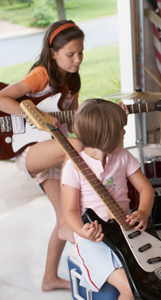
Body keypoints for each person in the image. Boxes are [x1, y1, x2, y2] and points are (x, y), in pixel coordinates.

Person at [0, 20, 85, 291]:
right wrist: (37, 116)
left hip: (54, 149)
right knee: (78, 147)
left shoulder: (72, 79)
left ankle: (49, 278)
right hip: (28, 150)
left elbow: (74, 123)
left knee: (65, 218)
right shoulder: (42, 75)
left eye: (81, 52)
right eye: (70, 54)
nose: (77, 59)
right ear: (53, 53)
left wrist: (105, 117)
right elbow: (3, 98)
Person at [61, 99, 154, 299]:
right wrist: (82, 232)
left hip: (125, 232)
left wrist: (143, 211)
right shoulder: (73, 167)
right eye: (121, 129)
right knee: (131, 289)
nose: (124, 132)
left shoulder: (122, 156)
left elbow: (145, 188)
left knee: (152, 279)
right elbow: (69, 210)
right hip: (94, 241)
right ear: (107, 135)